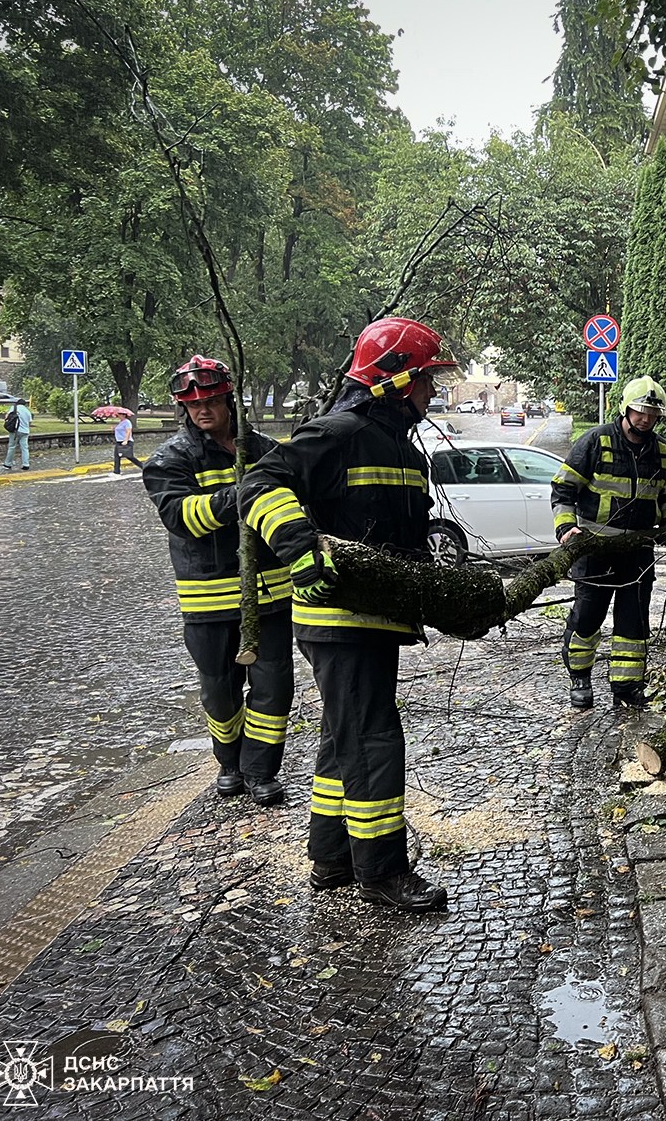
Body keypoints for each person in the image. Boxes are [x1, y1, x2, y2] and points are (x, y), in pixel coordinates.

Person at [237, 317, 452, 914]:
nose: (433, 393)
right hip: (340, 615)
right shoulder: (338, 432)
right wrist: (299, 547)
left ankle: (331, 857)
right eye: (426, 381)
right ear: (393, 378)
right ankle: (383, 871)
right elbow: (259, 484)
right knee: (375, 739)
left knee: (342, 739)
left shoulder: (398, 446)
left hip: (376, 618)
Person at [142, 357, 294, 807]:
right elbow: (182, 517)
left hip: (270, 595)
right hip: (208, 599)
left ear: (228, 398)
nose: (202, 410)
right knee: (219, 691)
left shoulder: (263, 449)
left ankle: (261, 770)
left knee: (274, 687)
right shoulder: (169, 461)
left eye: (210, 401)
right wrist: (239, 497)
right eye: (193, 404)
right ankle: (228, 763)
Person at [551, 375, 666, 710]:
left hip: (638, 553)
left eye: (653, 415)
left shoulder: (662, 453)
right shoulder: (595, 442)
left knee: (633, 624)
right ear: (625, 408)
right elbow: (563, 490)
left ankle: (626, 688)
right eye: (641, 412)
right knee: (586, 618)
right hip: (595, 549)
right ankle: (579, 677)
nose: (646, 420)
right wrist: (567, 529)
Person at [1, 397, 32, 470]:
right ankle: (26, 464)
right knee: (25, 448)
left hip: (15, 430)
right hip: (25, 432)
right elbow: (30, 422)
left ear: (17, 403)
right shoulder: (27, 411)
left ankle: (8, 464)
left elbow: (7, 416)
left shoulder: (14, 408)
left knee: (12, 447)